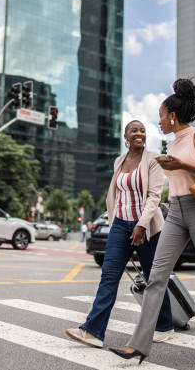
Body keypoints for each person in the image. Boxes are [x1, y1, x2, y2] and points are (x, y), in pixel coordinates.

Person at [109, 78, 195, 364]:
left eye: (161, 116)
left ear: (172, 116)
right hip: (175, 212)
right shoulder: (171, 145)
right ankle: (137, 345)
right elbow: (175, 182)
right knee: (156, 278)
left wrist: (183, 165)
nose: (158, 121)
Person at [65, 120, 174, 348]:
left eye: (142, 130)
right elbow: (115, 194)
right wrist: (115, 220)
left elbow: (154, 196)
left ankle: (164, 325)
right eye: (134, 130)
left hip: (146, 227)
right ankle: (93, 330)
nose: (139, 133)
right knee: (108, 277)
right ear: (126, 136)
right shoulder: (119, 161)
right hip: (120, 225)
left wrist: (142, 225)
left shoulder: (152, 160)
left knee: (153, 278)